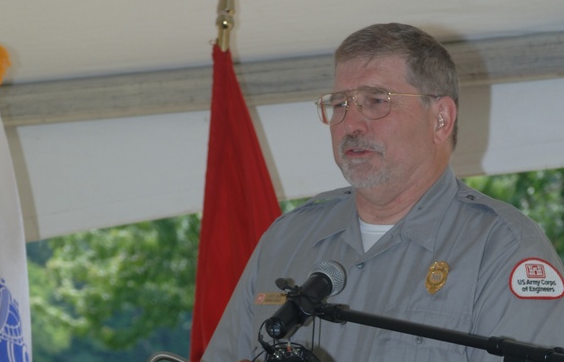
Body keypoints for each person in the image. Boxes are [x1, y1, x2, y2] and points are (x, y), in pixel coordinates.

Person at [201, 23, 564, 362]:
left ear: (441, 119)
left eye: (376, 101)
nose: (351, 124)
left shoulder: (501, 248)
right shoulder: (285, 240)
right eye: (340, 103)